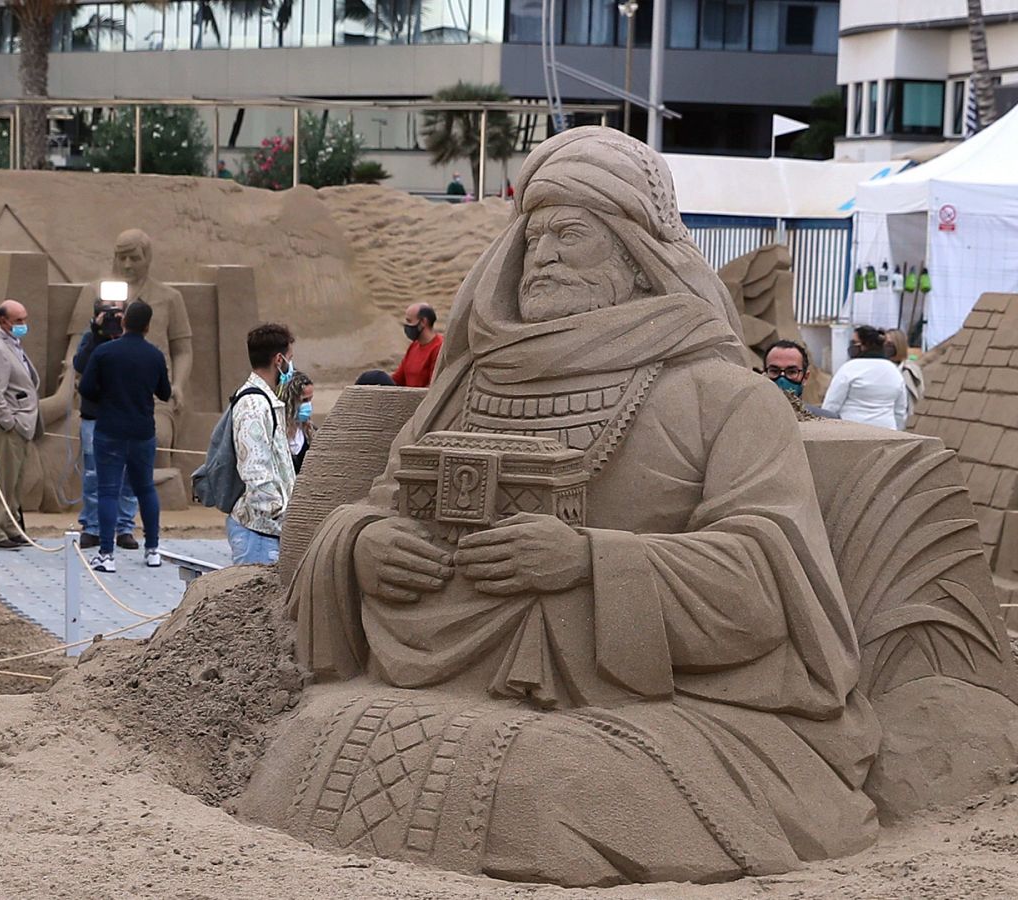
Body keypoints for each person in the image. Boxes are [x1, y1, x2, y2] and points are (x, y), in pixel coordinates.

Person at [284, 127, 877, 879]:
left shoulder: (723, 396)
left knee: (546, 786)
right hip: (433, 682)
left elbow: (768, 581)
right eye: (534, 238)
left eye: (573, 235)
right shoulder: (470, 386)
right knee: (312, 746)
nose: (546, 256)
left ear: (635, 253)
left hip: (655, 710)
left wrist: (589, 562)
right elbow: (379, 506)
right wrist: (366, 543)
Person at [59, 230, 194, 453]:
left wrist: (178, 384)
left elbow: (182, 350)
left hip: (151, 399)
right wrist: (71, 377)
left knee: (157, 439)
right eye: (121, 258)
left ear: (147, 258)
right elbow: (75, 347)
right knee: (89, 442)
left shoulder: (170, 298)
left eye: (134, 258)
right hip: (101, 394)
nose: (127, 265)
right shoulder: (94, 292)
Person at [78, 300, 171, 572]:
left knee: (107, 490)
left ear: (123, 322)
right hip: (142, 431)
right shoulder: (154, 355)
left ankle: (107, 555)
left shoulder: (106, 352)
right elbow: (164, 392)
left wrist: (107, 395)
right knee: (145, 489)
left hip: (110, 430)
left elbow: (86, 387)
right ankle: (152, 549)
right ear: (148, 326)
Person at [73, 292, 139, 551]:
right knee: (93, 474)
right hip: (95, 417)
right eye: (108, 314)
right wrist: (97, 333)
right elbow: (81, 366)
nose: (113, 320)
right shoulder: (91, 340)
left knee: (127, 475)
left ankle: (124, 528)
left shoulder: (133, 341)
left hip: (126, 416)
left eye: (118, 314)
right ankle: (92, 527)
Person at [228, 324, 298, 565]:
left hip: (269, 531)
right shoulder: (254, 406)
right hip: (259, 533)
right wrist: (282, 513)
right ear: (278, 360)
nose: (291, 366)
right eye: (289, 359)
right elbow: (255, 471)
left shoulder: (267, 399)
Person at [0, 301, 40, 550]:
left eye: (24, 319)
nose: (23, 325)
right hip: (10, 426)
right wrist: (9, 423)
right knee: (4, 480)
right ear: (3, 322)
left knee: (15, 480)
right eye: (18, 321)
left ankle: (10, 525)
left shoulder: (13, 345)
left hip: (24, 423)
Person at [823, 325, 909, 430]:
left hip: (851, 432)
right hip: (886, 433)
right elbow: (900, 412)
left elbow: (831, 406)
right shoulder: (895, 372)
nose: (851, 346)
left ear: (864, 345)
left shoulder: (849, 368)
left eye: (854, 342)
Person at [761, 340, 837, 419]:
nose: (782, 379)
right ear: (764, 374)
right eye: (774, 371)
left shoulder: (826, 420)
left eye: (791, 372)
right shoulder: (750, 417)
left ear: (805, 377)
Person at [392, 303, 444, 388]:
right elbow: (398, 379)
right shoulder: (414, 346)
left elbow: (434, 386)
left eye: (409, 321)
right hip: (405, 395)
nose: (406, 326)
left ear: (423, 322)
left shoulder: (439, 347)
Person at [885, 327, 927, 417]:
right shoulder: (880, 367)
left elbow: (919, 394)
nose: (886, 347)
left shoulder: (911, 369)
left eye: (890, 344)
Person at [281, 370, 315, 473]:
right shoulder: (277, 431)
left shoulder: (310, 433)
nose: (308, 405)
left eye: (310, 399)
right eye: (304, 400)